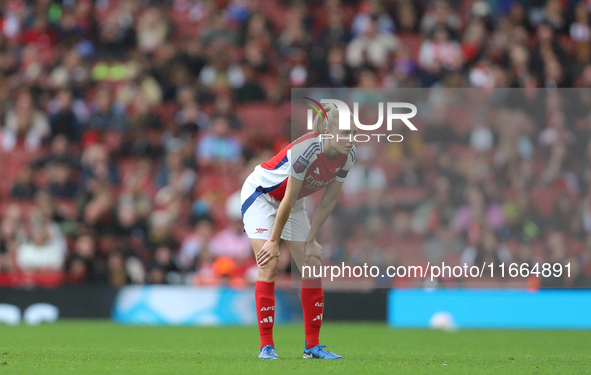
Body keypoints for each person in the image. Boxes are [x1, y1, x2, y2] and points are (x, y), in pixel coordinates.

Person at [240, 103, 357, 360]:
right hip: (262, 195)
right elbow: (287, 198)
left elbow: (328, 201)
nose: (351, 140)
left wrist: (312, 240)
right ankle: (266, 346)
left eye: (354, 133)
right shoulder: (306, 151)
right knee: (269, 263)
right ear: (327, 132)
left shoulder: (348, 156)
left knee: (312, 264)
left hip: (292, 203)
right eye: (346, 133)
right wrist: (273, 241)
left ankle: (312, 347)